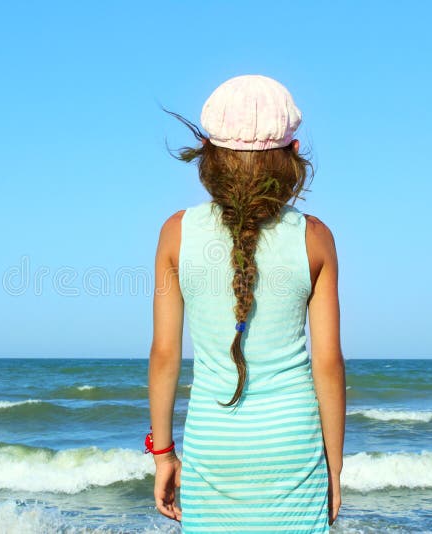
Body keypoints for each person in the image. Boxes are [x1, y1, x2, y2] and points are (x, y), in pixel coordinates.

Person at [147, 74, 346, 533]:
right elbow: (329, 363)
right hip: (292, 448)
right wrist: (333, 468)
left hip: (213, 447)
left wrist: (163, 455)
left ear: (210, 157)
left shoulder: (176, 232)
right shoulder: (315, 238)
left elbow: (163, 357)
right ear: (293, 156)